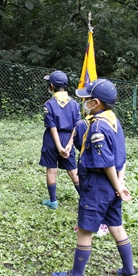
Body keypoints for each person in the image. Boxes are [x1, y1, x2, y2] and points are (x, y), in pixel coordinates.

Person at [52, 79, 138, 276]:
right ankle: (130, 272)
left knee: (84, 230)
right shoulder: (114, 121)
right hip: (113, 184)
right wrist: (120, 182)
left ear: (96, 102)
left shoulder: (98, 126)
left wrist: (118, 186)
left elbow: (106, 162)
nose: (84, 103)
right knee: (116, 227)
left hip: (98, 186)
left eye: (87, 99)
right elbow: (122, 158)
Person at [39, 70, 80, 210]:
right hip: (69, 138)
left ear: (51, 85)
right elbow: (77, 126)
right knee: (73, 170)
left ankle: (53, 201)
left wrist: (59, 147)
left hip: (52, 140)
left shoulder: (49, 104)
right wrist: (68, 145)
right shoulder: (75, 104)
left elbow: (53, 128)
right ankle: (85, 199)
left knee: (51, 170)